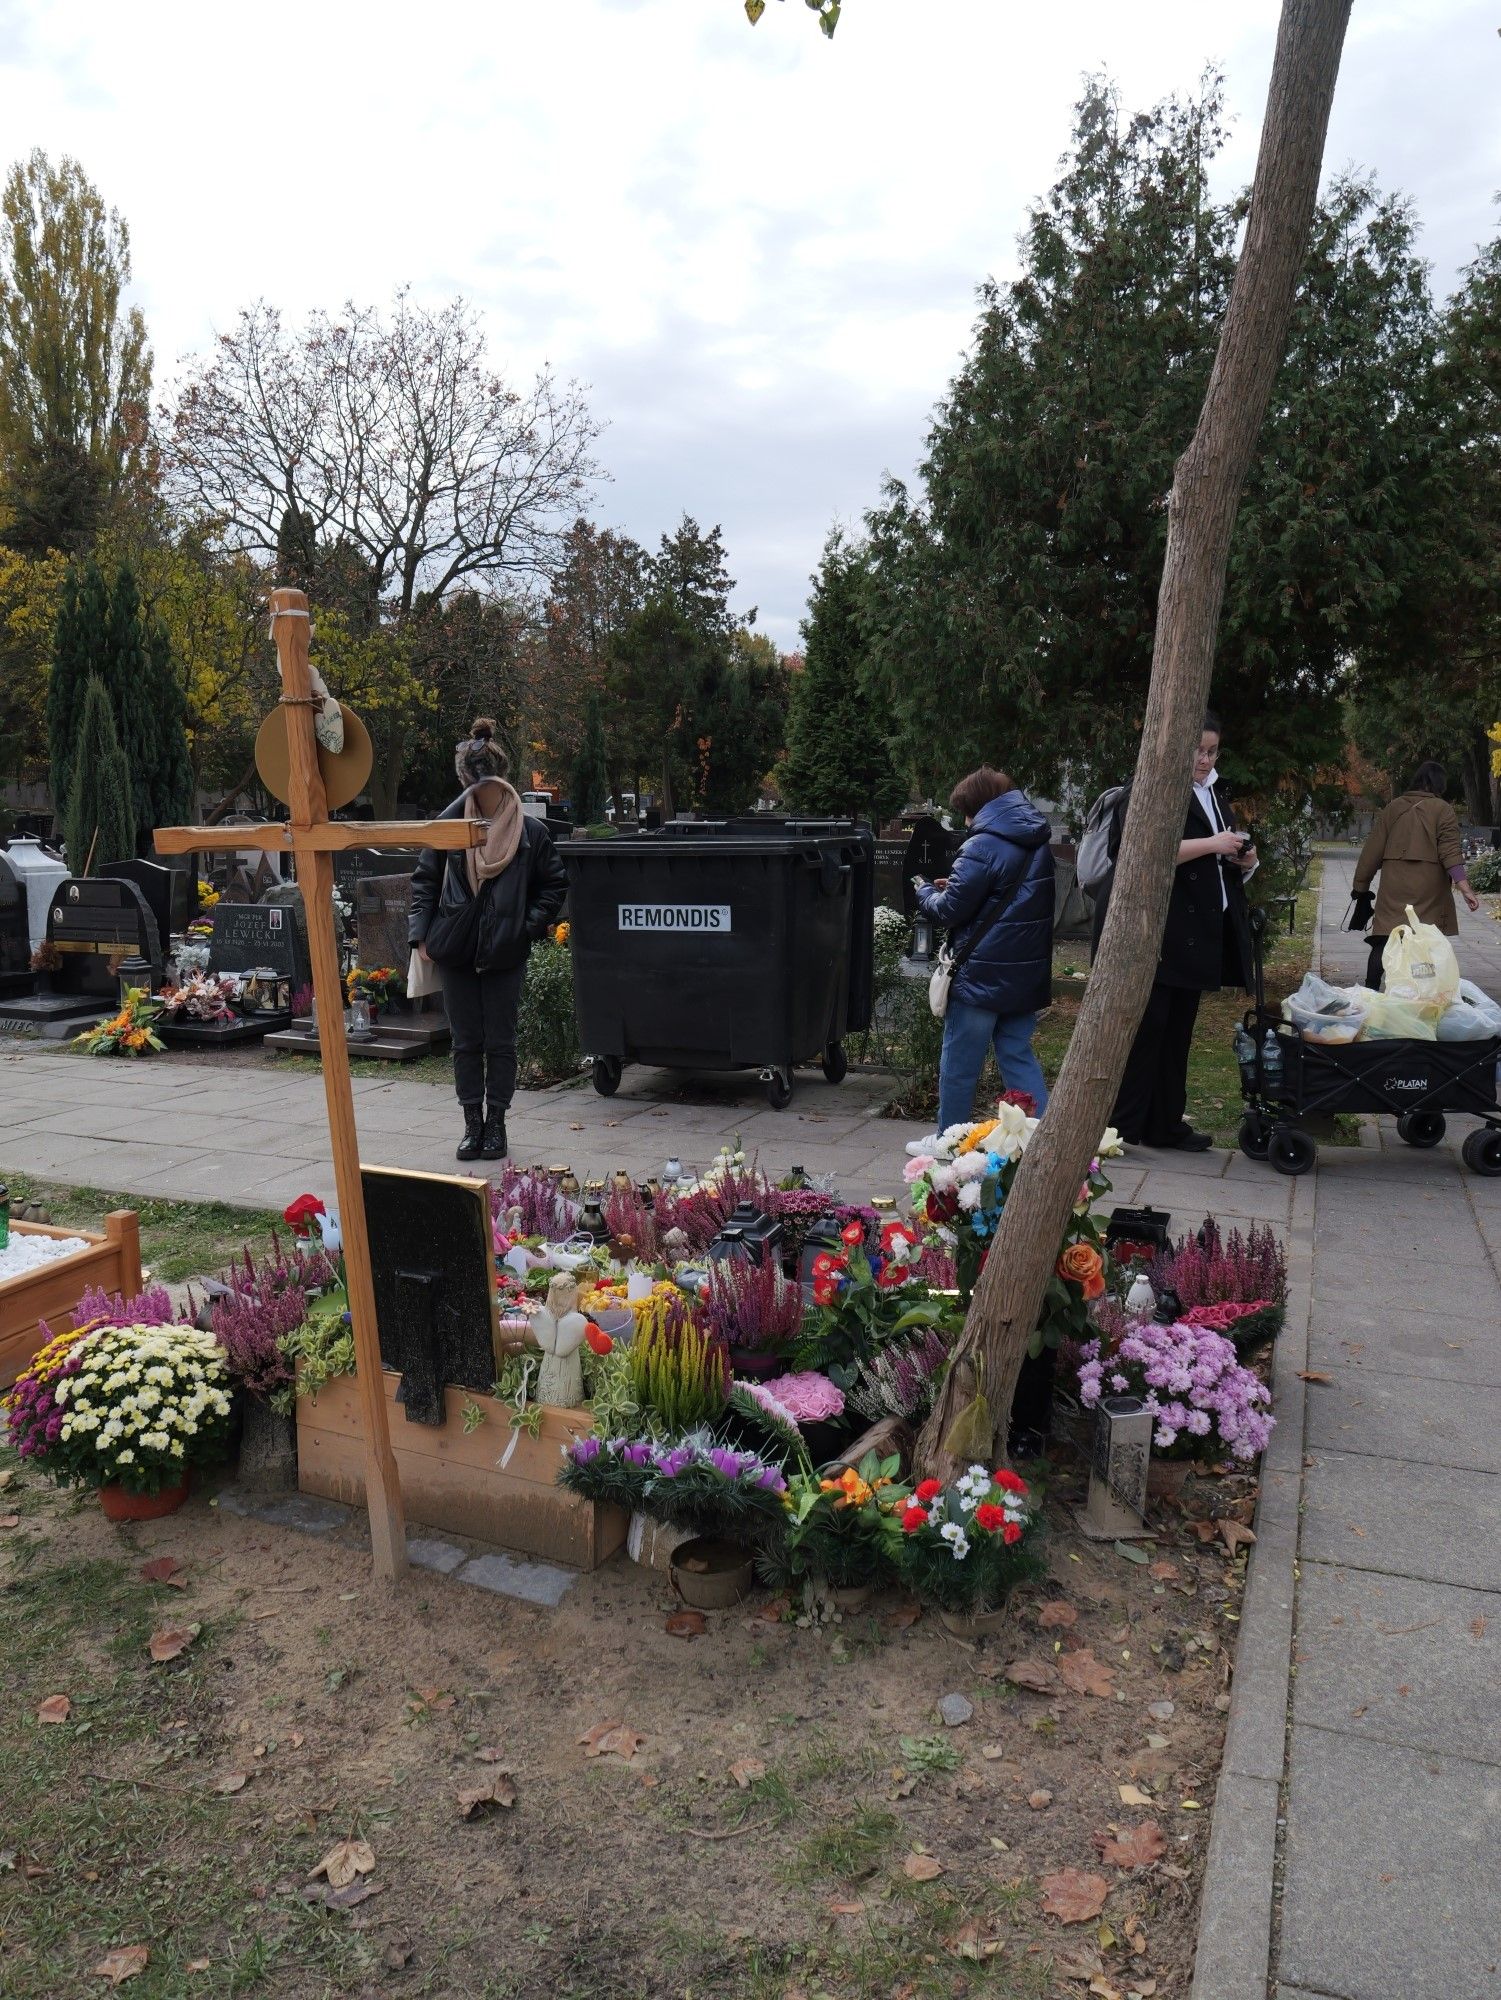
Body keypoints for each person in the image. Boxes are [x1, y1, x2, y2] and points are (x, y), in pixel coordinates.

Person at [409, 719, 567, 1162]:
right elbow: (424, 881)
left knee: (500, 1041)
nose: (483, 791)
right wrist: (419, 934)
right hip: (457, 949)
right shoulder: (448, 828)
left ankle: (496, 1124)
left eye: (489, 783)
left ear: (502, 780)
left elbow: (554, 885)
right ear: (467, 784)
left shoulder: (530, 834)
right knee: (464, 1042)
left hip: (504, 951)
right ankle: (471, 1126)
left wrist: (525, 926)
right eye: (475, 784)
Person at [1099, 713, 1255, 1151]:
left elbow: (1219, 850)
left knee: (1177, 1033)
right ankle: (1122, 1127)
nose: (1204, 760)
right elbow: (1135, 850)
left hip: (1198, 931)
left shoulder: (1212, 792)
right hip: (1160, 930)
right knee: (1148, 1031)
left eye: (1211, 751)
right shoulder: (1149, 789)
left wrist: (1244, 857)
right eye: (1197, 750)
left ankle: (1165, 1123)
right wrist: (1213, 845)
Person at [914, 766, 1055, 1134]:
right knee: (1017, 1056)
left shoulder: (982, 844)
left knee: (960, 1067)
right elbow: (1010, 900)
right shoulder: (1037, 841)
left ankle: (951, 1144)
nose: (965, 820)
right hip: (1023, 975)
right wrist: (958, 885)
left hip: (981, 976)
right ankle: (1041, 1139)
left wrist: (925, 892)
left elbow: (948, 911)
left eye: (966, 811)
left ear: (977, 808)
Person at [1353, 761, 1479, 989]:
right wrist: (1465, 888)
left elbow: (1372, 850)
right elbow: (1450, 851)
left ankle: (1370, 989)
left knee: (1384, 937)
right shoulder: (1443, 810)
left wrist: (1360, 886)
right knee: (1426, 941)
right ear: (1440, 784)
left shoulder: (1393, 808)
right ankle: (1421, 991)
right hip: (1428, 888)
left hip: (1394, 884)